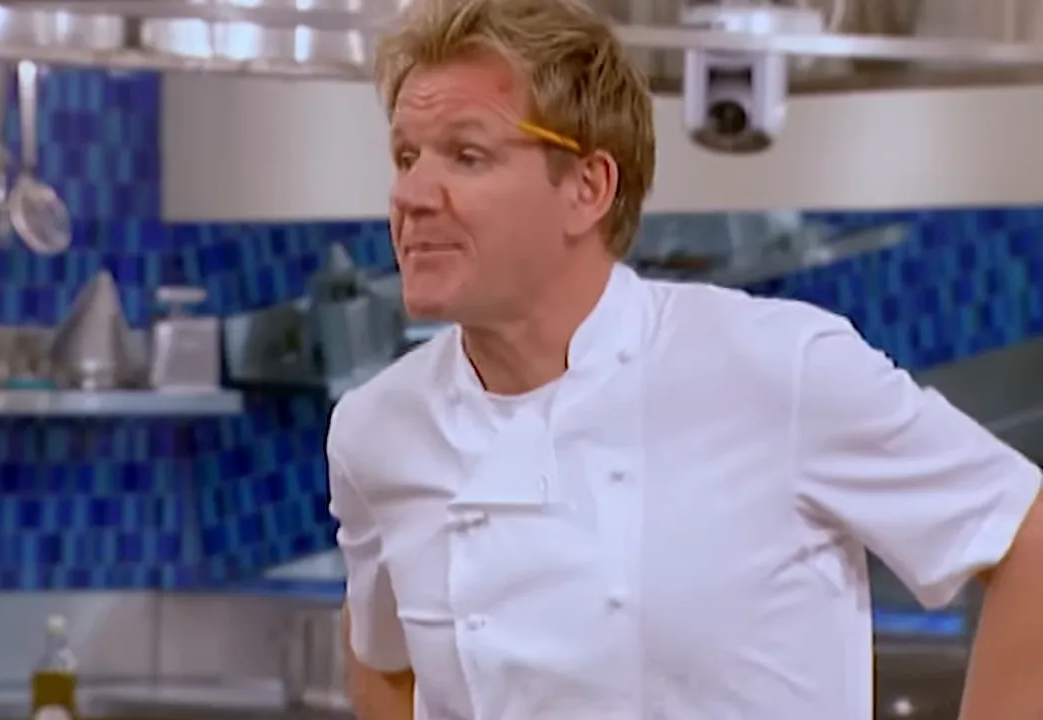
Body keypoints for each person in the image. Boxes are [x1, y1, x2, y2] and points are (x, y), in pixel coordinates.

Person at [325, 0, 1043, 715]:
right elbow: (381, 658)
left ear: (588, 188)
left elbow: (1026, 538)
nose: (413, 195)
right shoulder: (377, 429)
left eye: (467, 154)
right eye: (406, 156)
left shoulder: (776, 368)